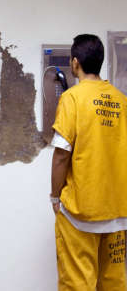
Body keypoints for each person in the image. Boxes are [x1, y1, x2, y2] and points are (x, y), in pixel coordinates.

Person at [51, 34, 127, 291]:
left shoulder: (72, 98)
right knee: (113, 283)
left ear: (74, 63)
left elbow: (61, 154)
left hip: (80, 213)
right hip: (118, 212)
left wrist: (55, 196)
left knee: (77, 283)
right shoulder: (120, 100)